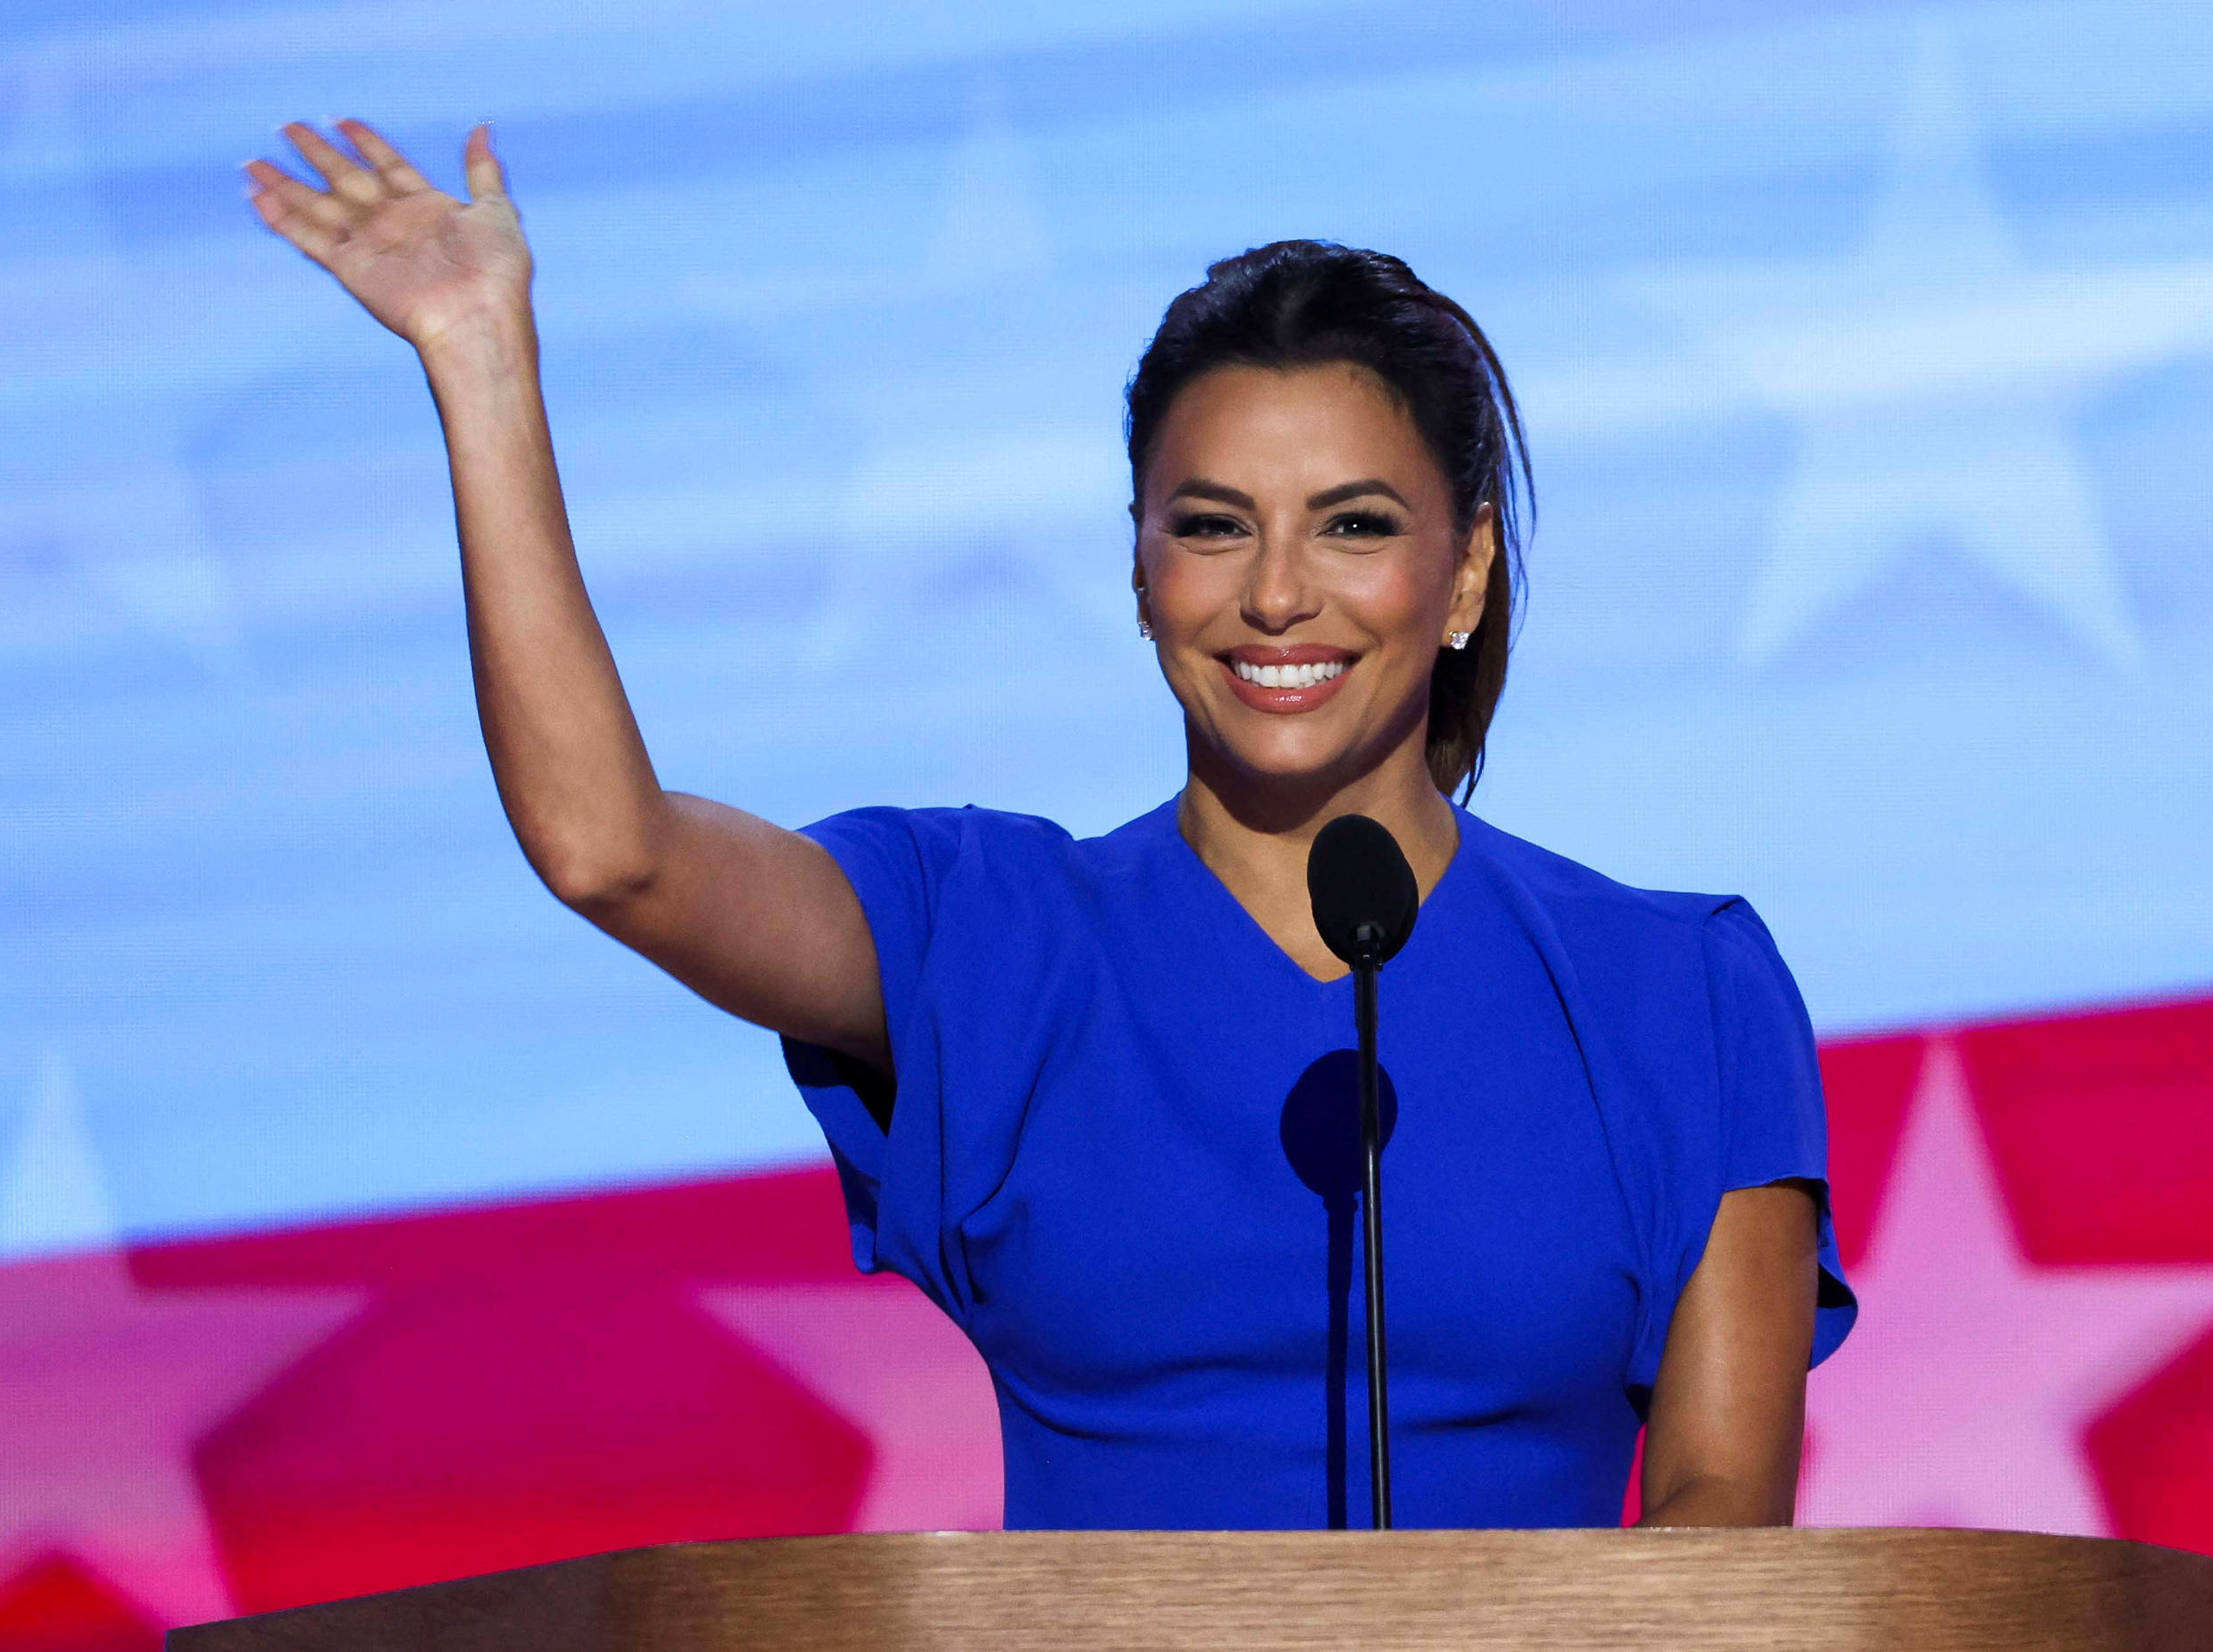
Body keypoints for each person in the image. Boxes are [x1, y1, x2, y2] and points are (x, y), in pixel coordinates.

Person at [244, 120, 1855, 1532]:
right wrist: (482, 364)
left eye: (1354, 527)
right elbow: (614, 848)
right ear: (1141, 568)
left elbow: (1723, 1539)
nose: (1276, 593)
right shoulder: (990, 940)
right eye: (1211, 527)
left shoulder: (1676, 991)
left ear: (1468, 572)